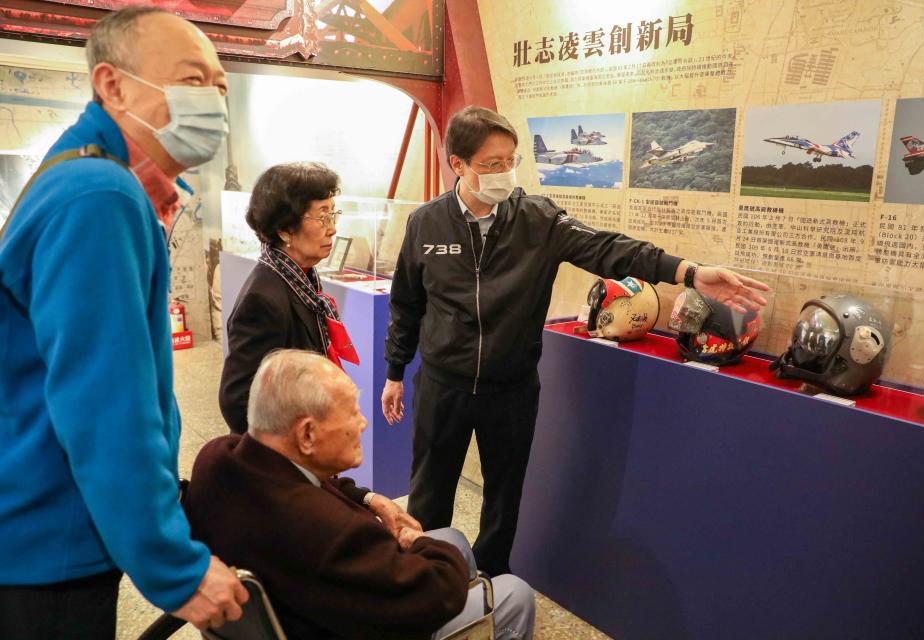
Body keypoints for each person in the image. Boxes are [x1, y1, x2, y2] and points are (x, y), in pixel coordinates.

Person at [382, 106, 770, 576]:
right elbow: (406, 303)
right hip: (443, 384)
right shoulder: (426, 223)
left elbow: (609, 248)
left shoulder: (537, 219)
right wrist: (395, 371)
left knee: (504, 497)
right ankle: (425, 584)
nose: (504, 173)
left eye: (510, 160)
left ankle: (493, 586)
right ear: (457, 164)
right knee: (429, 495)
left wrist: (687, 271)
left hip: (512, 387)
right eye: (490, 164)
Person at [0, 8, 247, 638]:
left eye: (221, 85)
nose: (214, 100)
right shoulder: (99, 196)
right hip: (50, 541)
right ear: (112, 85)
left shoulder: (84, 177)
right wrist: (176, 569)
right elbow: (107, 403)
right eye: (193, 79)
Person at [188, 349, 536, 639]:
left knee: (454, 539)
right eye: (352, 411)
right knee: (513, 593)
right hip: (357, 623)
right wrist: (413, 540)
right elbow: (437, 591)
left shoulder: (217, 459)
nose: (362, 423)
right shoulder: (332, 532)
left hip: (298, 602)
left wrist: (371, 500)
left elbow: (309, 479)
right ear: (307, 433)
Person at [218, 162, 408, 526]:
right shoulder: (265, 298)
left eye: (332, 213)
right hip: (279, 476)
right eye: (321, 216)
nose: (333, 228)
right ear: (285, 228)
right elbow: (238, 402)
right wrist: (297, 454)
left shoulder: (301, 280)